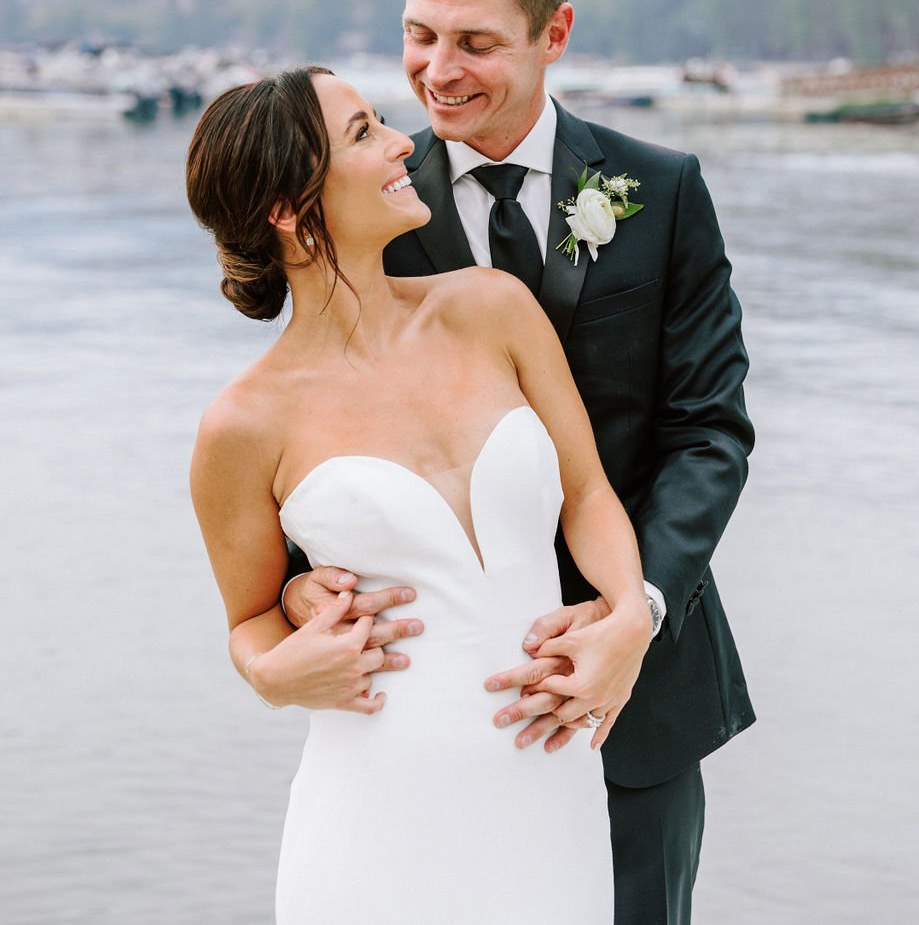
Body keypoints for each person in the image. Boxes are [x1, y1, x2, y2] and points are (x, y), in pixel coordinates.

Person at [282, 0, 756, 925]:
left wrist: (640, 611)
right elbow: (306, 426)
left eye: (476, 42)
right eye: (418, 33)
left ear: (556, 34)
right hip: (432, 708)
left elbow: (708, 429)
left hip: (637, 699)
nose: (437, 71)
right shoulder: (362, 204)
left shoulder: (659, 190)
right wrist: (297, 591)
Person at [186, 66, 652, 925]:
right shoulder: (241, 426)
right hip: (376, 821)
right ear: (288, 208)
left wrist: (629, 611)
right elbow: (250, 624)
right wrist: (275, 674)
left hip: (549, 795)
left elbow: (587, 492)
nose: (405, 143)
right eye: (364, 133)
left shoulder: (493, 307)